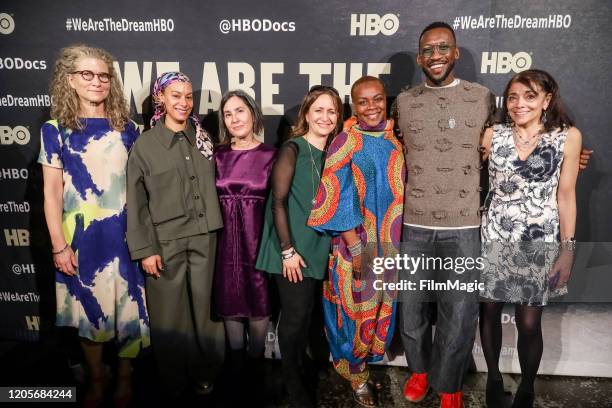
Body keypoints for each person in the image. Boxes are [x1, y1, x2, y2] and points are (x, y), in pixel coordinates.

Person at [39, 44, 149, 408]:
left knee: (129, 309)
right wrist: (59, 244)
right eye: (87, 74)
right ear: (69, 80)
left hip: (125, 234)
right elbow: (52, 192)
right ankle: (97, 379)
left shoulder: (130, 128)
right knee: (89, 311)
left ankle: (124, 378)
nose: (97, 81)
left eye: (103, 75)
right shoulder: (55, 131)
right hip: (82, 238)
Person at [394, 22, 494, 408]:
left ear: (455, 53)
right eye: (428, 50)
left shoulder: (483, 98)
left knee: (460, 309)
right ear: (420, 58)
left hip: (465, 223)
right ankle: (419, 371)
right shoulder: (403, 101)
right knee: (414, 305)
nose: (435, 56)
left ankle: (449, 383)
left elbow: (510, 139)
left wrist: (571, 154)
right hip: (415, 221)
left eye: (443, 48)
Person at [479, 69, 581, 408]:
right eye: (513, 97)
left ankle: (527, 388)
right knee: (489, 311)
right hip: (494, 235)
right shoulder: (493, 134)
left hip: (538, 241)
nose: (519, 104)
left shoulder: (567, 137)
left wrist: (567, 250)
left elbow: (566, 195)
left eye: (529, 96)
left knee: (528, 322)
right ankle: (493, 379)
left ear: (546, 100)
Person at [125, 72, 224, 400]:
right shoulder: (145, 144)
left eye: (188, 96)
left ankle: (205, 372)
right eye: (175, 96)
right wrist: (145, 249)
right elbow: (136, 202)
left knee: (205, 312)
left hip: (204, 238)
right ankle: (172, 380)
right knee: (169, 317)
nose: (183, 102)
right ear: (161, 99)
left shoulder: (202, 137)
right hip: (164, 244)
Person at [307, 76, 405, 407]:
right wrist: (357, 247)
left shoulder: (394, 139)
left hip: (387, 248)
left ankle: (361, 369)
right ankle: (357, 378)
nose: (372, 106)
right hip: (356, 248)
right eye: (363, 102)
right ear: (354, 106)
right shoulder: (346, 142)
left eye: (377, 99)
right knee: (353, 316)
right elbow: (336, 198)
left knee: (376, 313)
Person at [256, 86, 342, 407]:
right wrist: (287, 251)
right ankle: (293, 386)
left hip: (318, 246)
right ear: (306, 113)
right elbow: (277, 202)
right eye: (318, 110)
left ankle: (301, 368)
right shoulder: (293, 149)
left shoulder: (333, 152)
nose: (324, 116)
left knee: (306, 316)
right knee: (293, 321)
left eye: (331, 111)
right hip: (291, 250)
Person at [213, 90, 276, 382]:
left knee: (258, 298)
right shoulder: (217, 155)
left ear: (252, 113)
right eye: (228, 114)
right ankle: (235, 362)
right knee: (229, 298)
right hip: (224, 244)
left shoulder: (270, 155)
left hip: (258, 240)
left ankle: (255, 363)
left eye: (239, 111)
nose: (234, 118)